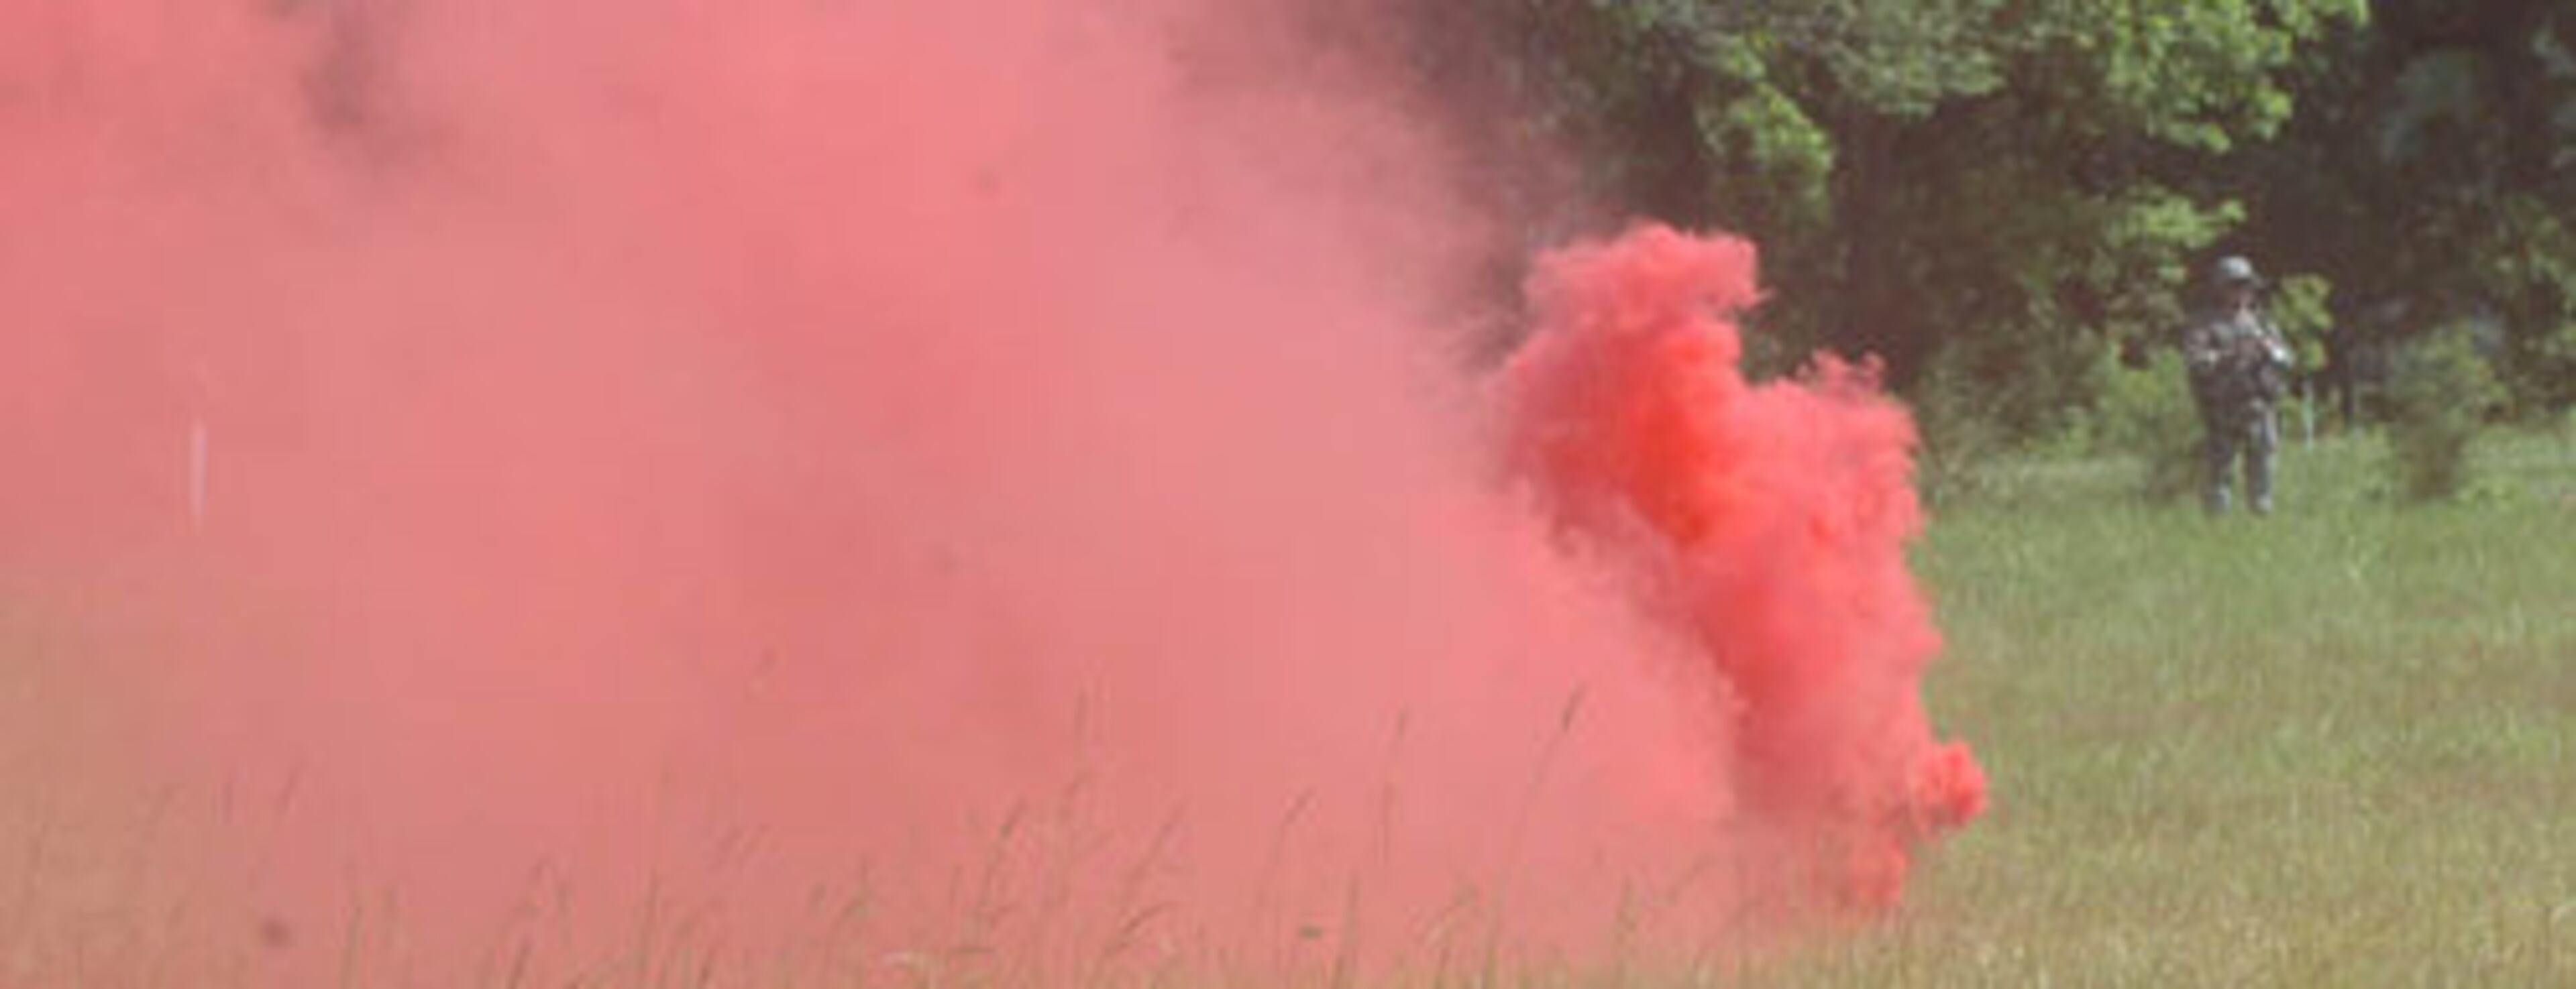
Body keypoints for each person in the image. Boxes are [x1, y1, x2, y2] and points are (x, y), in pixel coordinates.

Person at [2181, 255, 2296, 515]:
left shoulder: (2263, 322)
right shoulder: (2204, 324)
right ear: (2220, 288)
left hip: (2260, 405)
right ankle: (2217, 532)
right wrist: (2229, 355)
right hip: (2223, 408)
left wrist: (2271, 352)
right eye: (2236, 285)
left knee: (2263, 471)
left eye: (2247, 286)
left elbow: (2288, 359)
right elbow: (2196, 362)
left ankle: (2261, 523)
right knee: (2220, 475)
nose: (2244, 292)